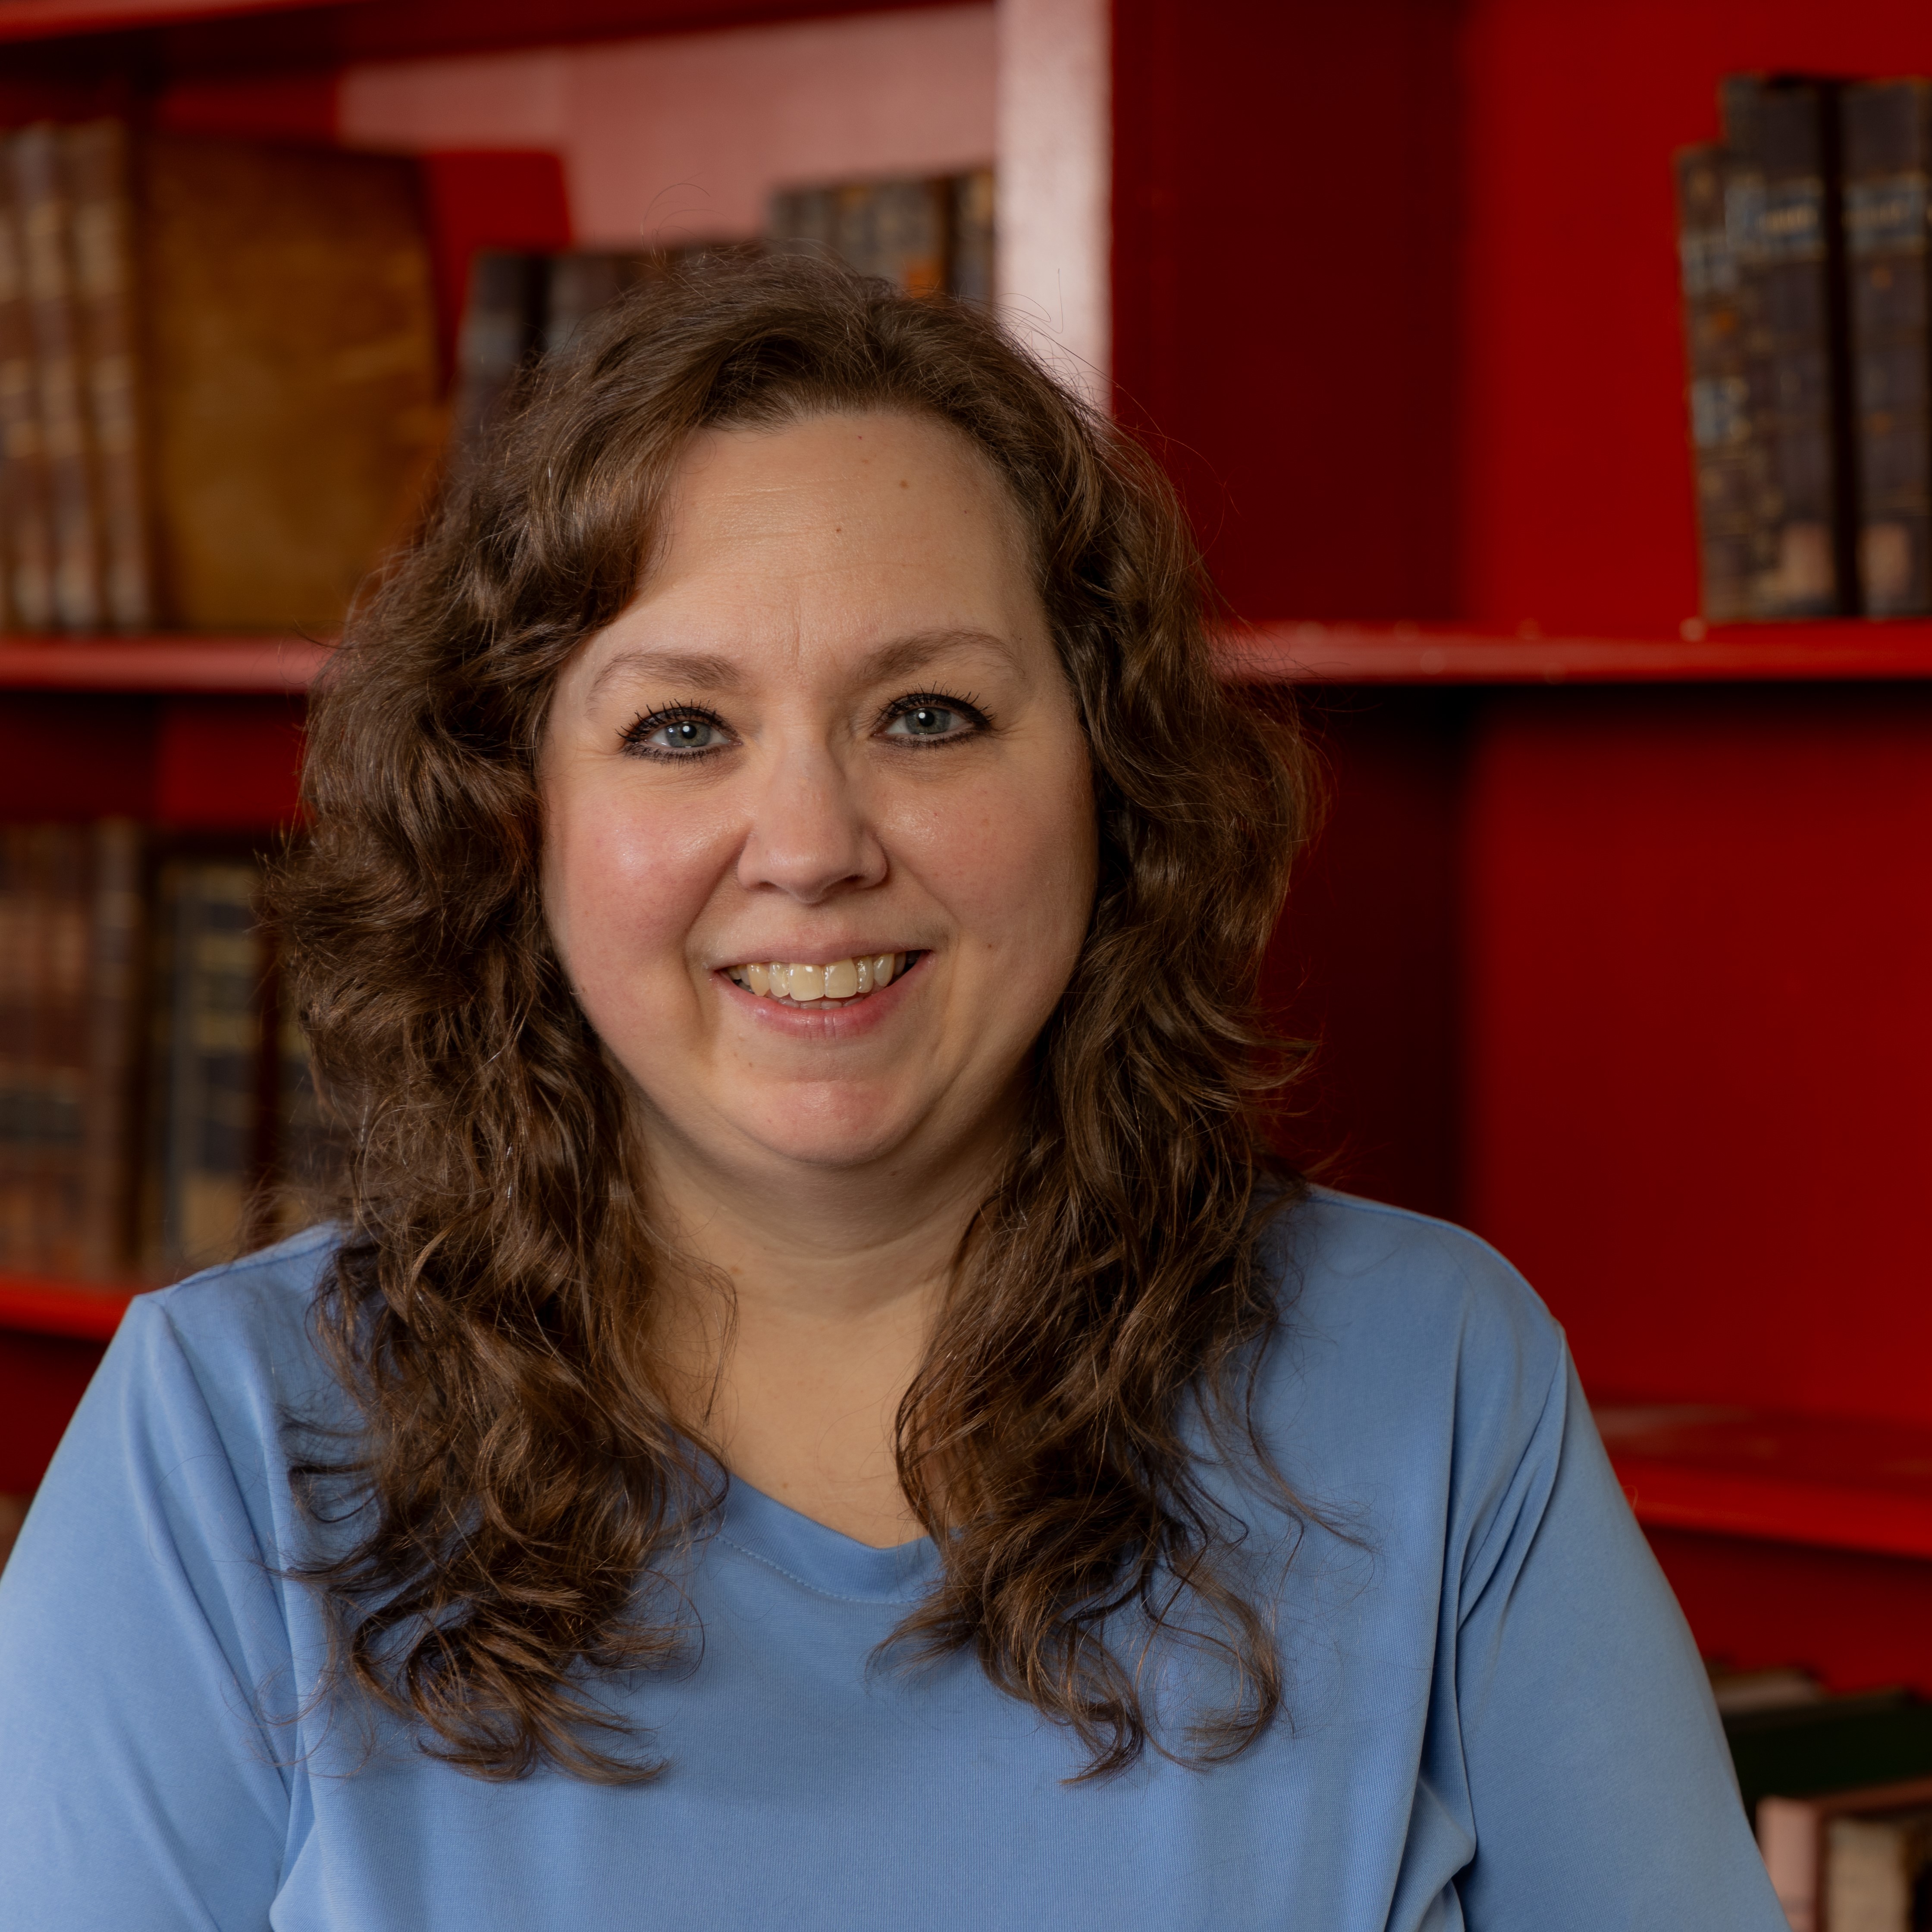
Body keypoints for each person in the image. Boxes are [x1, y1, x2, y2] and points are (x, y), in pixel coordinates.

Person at [0, 256, 1784, 1930]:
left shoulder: (1438, 1384)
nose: (812, 847)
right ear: (513, 820)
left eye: (926, 713)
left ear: (1109, 779)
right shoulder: (222, 1449)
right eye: (681, 728)